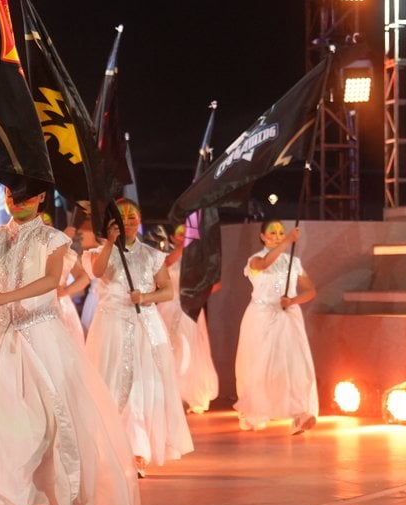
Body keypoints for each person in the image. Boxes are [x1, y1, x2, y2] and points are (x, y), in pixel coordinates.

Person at [0, 183, 140, 505]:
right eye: (11, 195)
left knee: (37, 426)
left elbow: (51, 280)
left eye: (25, 196)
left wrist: (6, 296)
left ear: (41, 198)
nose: (16, 202)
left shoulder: (53, 239)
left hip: (40, 338)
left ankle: (22, 499)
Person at [84, 199, 193, 469]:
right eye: (122, 217)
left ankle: (138, 450)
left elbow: (167, 290)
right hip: (111, 325)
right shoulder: (99, 252)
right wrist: (110, 243)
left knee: (142, 386)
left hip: (146, 325)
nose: (128, 221)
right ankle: (112, 445)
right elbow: (98, 272)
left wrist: (144, 297)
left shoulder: (152, 255)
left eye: (132, 216)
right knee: (112, 383)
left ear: (140, 218)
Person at [235, 219, 319, 434]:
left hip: (287, 317)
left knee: (294, 365)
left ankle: (299, 414)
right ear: (262, 236)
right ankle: (252, 410)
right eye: (272, 232)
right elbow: (264, 264)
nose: (278, 236)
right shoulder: (254, 260)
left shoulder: (294, 262)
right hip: (261, 317)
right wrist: (287, 242)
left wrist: (292, 301)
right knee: (258, 367)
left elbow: (311, 291)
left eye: (281, 232)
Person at [158, 223, 220, 414]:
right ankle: (171, 394)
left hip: (190, 307)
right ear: (172, 237)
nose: (184, 236)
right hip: (168, 306)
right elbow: (165, 266)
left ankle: (188, 394)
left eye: (187, 234)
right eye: (180, 234)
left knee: (189, 348)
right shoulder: (164, 256)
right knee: (170, 348)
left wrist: (198, 292)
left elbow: (215, 284)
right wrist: (183, 247)